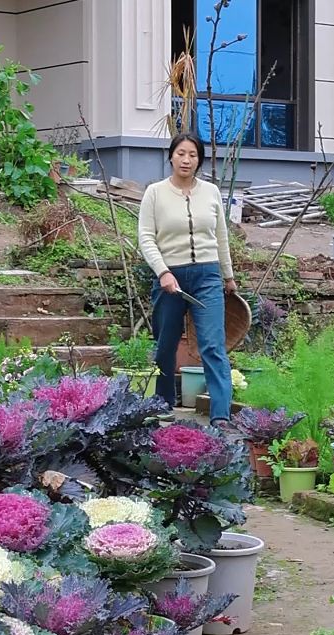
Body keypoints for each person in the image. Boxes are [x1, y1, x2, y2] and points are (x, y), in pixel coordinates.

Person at [138, 133, 237, 430]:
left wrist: (228, 275)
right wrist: (162, 271)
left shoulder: (211, 192)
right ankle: (163, 403)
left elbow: (221, 237)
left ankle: (220, 414)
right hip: (170, 275)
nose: (186, 159)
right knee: (166, 344)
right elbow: (145, 237)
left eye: (192, 155)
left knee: (212, 344)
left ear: (199, 160)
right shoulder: (154, 193)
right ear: (171, 156)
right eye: (181, 153)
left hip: (207, 275)